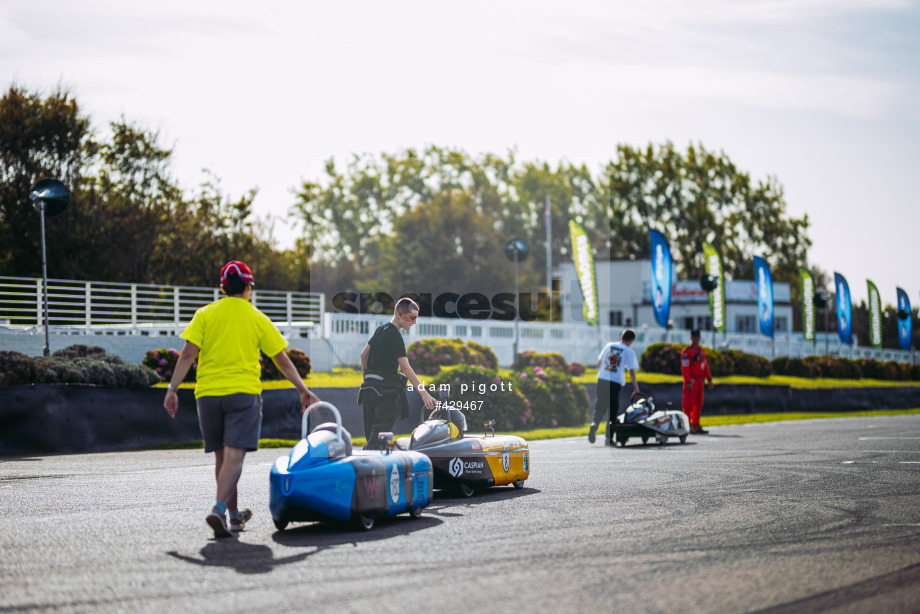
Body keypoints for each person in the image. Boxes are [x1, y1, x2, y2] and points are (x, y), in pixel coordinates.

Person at [163, 261, 319, 538]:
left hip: (208, 395)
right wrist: (302, 389)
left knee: (223, 461)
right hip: (242, 395)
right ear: (248, 287)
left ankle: (233, 517)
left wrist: (172, 389)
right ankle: (218, 508)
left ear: (223, 287)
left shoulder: (205, 314)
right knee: (235, 458)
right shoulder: (256, 317)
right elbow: (281, 359)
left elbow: (187, 354)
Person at [358, 297, 436, 450]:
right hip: (385, 393)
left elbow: (363, 355)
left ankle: (369, 470)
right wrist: (424, 394)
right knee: (378, 442)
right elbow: (406, 368)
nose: (414, 322)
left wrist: (367, 378)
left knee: (372, 438)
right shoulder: (395, 335)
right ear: (400, 314)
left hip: (368, 390)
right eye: (412, 318)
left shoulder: (381, 329)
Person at [589, 328, 640, 445]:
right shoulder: (628, 351)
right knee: (612, 409)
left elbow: (599, 363)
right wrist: (636, 388)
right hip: (615, 381)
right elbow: (631, 371)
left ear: (621, 336)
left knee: (600, 405)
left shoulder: (609, 345)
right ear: (631, 340)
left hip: (602, 378)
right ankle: (609, 438)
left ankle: (594, 424)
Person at [681, 328, 714, 434]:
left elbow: (705, 366)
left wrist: (709, 379)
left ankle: (695, 425)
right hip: (692, 380)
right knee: (688, 405)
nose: (696, 339)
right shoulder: (687, 351)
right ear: (691, 338)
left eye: (697, 337)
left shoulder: (701, 351)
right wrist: (688, 381)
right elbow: (685, 367)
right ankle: (687, 425)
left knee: (698, 405)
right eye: (694, 337)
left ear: (700, 338)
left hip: (700, 381)